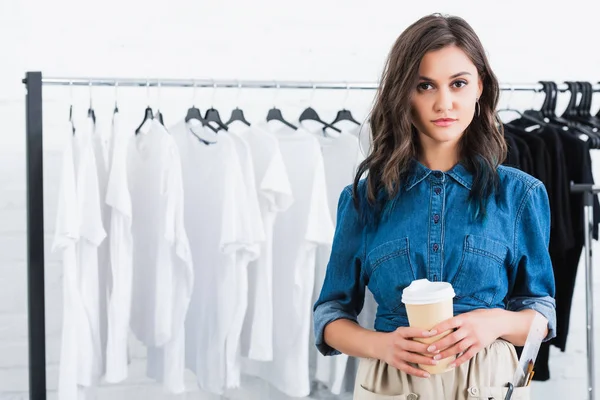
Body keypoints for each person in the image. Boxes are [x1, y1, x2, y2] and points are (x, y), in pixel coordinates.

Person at [313, 13, 556, 400]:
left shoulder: (519, 195)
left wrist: (491, 323)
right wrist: (381, 344)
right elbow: (328, 316)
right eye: (424, 86)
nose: (444, 102)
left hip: (489, 385)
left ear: (480, 86)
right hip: (392, 384)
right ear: (403, 94)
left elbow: (541, 315)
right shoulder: (364, 199)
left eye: (458, 83)